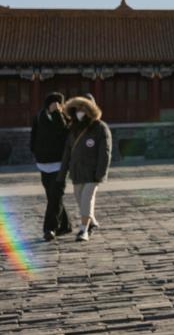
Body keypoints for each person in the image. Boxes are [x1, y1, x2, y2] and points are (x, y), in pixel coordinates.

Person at [60, 96, 112, 241]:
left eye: (83, 109)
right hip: (77, 171)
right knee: (79, 198)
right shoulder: (73, 128)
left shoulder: (100, 127)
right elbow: (67, 153)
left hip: (92, 172)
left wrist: (100, 173)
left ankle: (84, 230)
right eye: (77, 109)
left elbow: (105, 153)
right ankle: (92, 221)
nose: (80, 112)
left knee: (86, 199)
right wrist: (62, 174)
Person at [29, 92, 73, 240]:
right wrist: (35, 151)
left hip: (59, 164)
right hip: (43, 163)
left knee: (55, 196)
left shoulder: (64, 118)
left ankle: (49, 228)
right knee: (53, 197)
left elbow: (62, 130)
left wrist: (57, 114)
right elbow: (33, 135)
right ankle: (65, 226)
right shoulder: (39, 116)